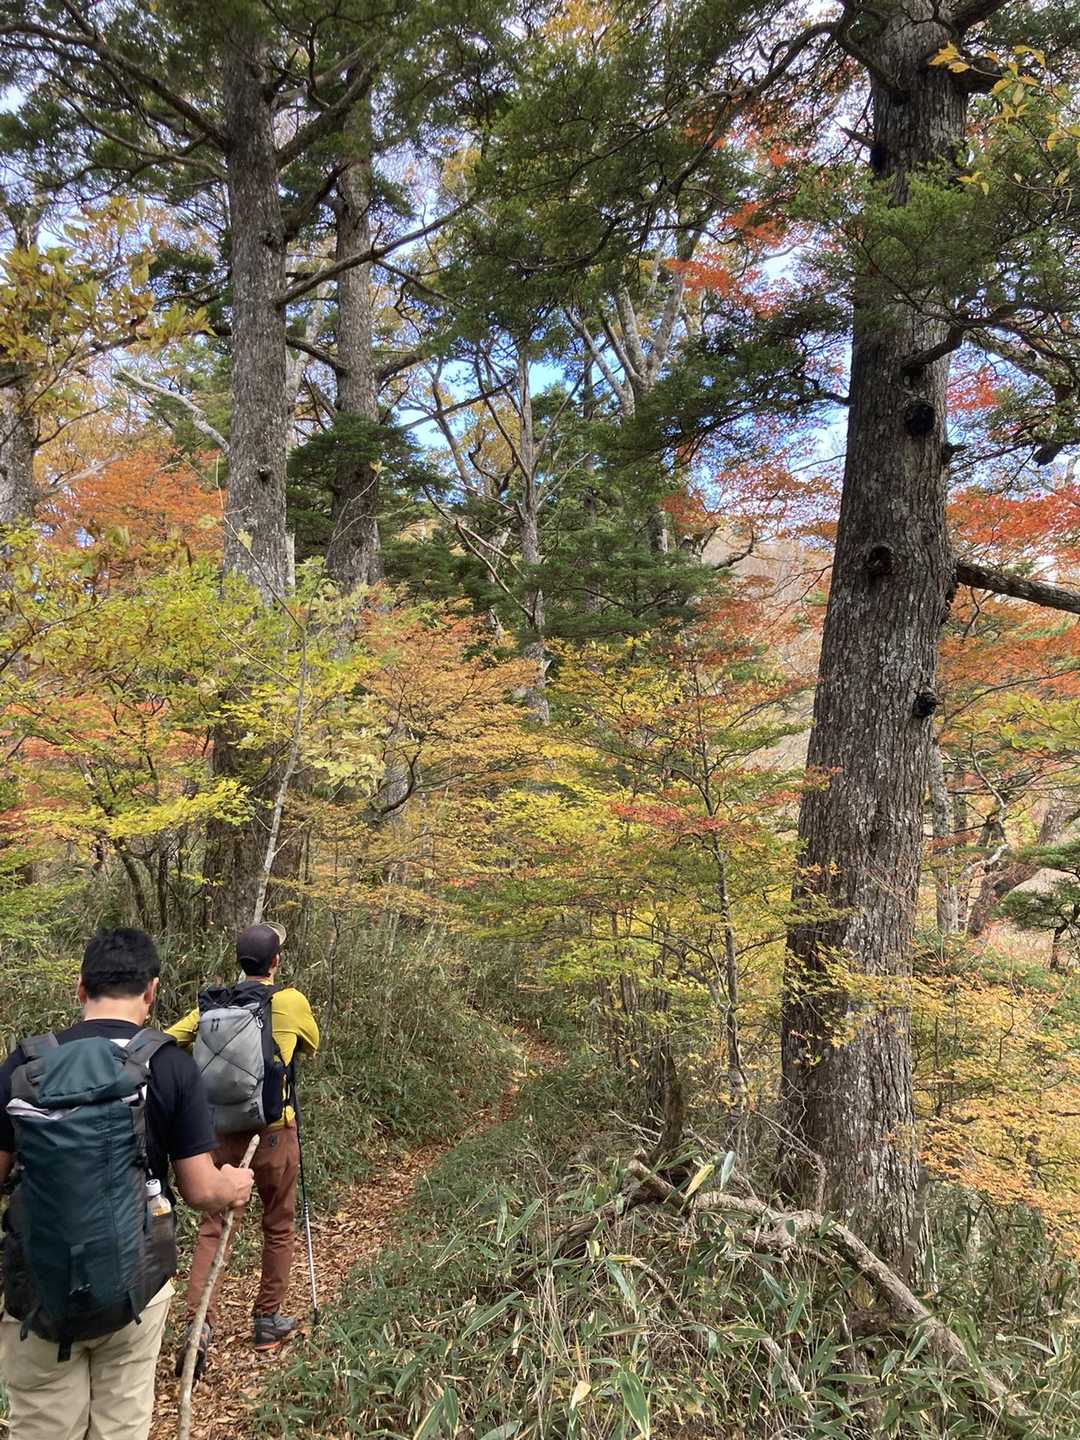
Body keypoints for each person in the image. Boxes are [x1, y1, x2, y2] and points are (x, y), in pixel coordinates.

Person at [0, 928, 254, 1440]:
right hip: (133, 1287)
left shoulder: (24, 1065)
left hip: (37, 1292)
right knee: (121, 1426)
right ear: (151, 991)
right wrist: (235, 1183)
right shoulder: (171, 1065)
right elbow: (201, 1190)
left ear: (80, 988)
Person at [167, 921, 319, 1369]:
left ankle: (199, 1326)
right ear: (276, 962)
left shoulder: (212, 1006)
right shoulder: (289, 1001)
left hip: (217, 1135)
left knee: (214, 1227)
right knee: (278, 1225)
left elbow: (170, 1040)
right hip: (273, 1133)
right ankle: (267, 1320)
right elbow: (311, 1044)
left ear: (239, 961)